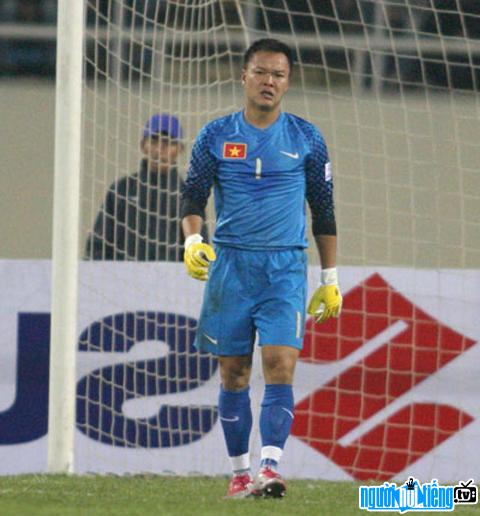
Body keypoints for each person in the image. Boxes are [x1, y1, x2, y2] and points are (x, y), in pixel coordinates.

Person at [180, 38, 343, 498]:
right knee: (233, 373)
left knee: (279, 363)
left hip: (285, 266)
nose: (269, 81)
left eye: (279, 75)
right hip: (231, 264)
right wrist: (193, 239)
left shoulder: (306, 137)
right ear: (244, 76)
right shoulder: (215, 135)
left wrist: (330, 280)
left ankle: (270, 468)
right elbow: (193, 196)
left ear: (287, 82)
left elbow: (324, 210)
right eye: (261, 72)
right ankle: (239, 474)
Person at [86, 113, 206, 261]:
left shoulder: (189, 196)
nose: (160, 148)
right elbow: (98, 244)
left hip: (172, 281)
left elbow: (198, 249)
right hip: (121, 279)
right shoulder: (122, 189)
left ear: (180, 149)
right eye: (154, 140)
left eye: (168, 142)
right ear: (143, 145)